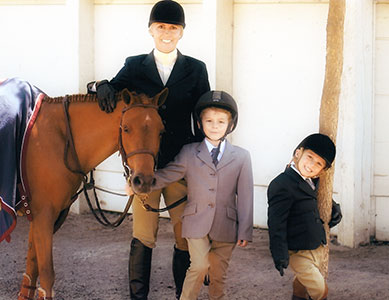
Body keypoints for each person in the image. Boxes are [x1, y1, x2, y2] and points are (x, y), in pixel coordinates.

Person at [87, 1, 210, 299]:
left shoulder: (195, 69)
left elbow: (205, 116)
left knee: (184, 237)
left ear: (181, 32)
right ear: (151, 30)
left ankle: (184, 295)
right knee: (143, 235)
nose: (166, 33)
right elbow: (108, 90)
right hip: (145, 168)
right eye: (161, 27)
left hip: (181, 165)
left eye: (173, 28)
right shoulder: (134, 65)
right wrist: (100, 85)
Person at [152, 90, 254, 300]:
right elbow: (168, 174)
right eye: (209, 121)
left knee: (218, 275)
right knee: (198, 266)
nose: (214, 126)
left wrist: (245, 230)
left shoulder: (242, 156)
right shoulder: (189, 152)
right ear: (199, 124)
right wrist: (141, 184)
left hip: (226, 225)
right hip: (195, 221)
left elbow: (245, 196)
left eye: (220, 121)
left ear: (231, 125)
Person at [267, 133, 342, 300]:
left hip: (315, 246)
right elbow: (276, 222)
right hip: (297, 250)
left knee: (302, 284)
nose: (311, 165)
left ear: (322, 170)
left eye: (318, 164)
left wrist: (334, 207)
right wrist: (279, 255)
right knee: (319, 289)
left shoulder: (311, 181)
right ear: (297, 153)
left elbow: (314, 199)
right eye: (309, 157)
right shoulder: (282, 184)